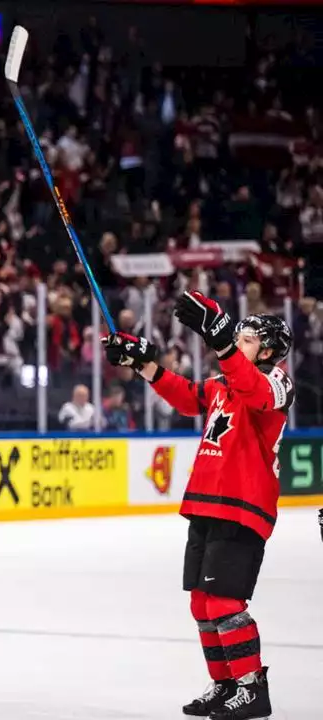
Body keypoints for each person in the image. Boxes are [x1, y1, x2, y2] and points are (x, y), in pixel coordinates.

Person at [103, 294, 294, 720]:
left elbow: (256, 392)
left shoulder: (277, 382)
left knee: (226, 603)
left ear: (266, 351)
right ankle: (226, 683)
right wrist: (145, 364)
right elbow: (188, 396)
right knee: (203, 605)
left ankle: (251, 688)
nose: (236, 344)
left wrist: (224, 343)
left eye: (245, 340)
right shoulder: (223, 384)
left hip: (242, 507)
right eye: (237, 338)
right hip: (208, 505)